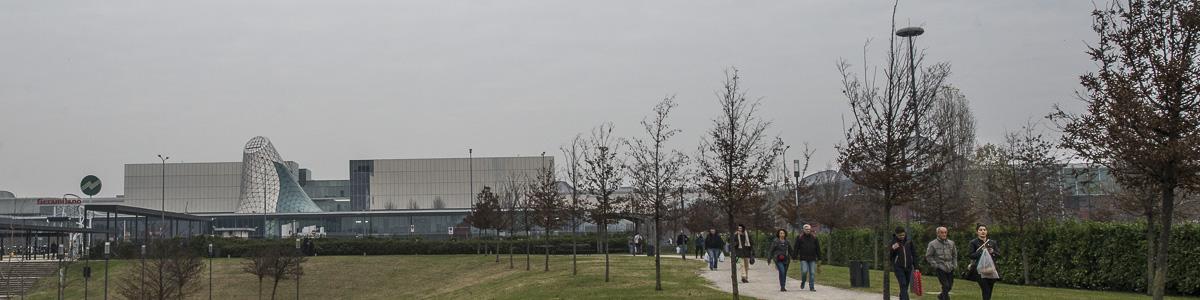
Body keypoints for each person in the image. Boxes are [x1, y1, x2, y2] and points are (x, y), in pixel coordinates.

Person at [968, 224, 1001, 300]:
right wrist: (981, 251)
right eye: (980, 230)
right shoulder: (973, 242)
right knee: (985, 289)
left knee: (989, 290)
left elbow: (999, 255)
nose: (983, 231)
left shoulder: (992, 242)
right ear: (977, 232)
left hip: (991, 269)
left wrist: (992, 251)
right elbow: (971, 255)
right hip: (979, 270)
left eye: (984, 230)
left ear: (987, 231)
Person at [925, 226, 957, 300]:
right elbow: (928, 256)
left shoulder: (951, 243)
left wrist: (954, 264)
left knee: (949, 286)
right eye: (942, 232)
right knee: (945, 285)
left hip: (950, 267)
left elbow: (955, 255)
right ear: (938, 233)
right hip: (940, 267)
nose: (944, 234)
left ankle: (941, 296)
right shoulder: (932, 244)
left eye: (945, 232)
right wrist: (935, 265)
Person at [890, 226, 918, 300]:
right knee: (903, 284)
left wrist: (916, 267)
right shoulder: (893, 242)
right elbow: (890, 256)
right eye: (900, 235)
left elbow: (914, 253)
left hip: (908, 267)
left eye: (903, 235)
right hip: (898, 267)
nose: (902, 236)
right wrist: (892, 249)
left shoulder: (909, 241)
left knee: (905, 286)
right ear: (896, 234)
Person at [793, 224, 821, 291]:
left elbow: (818, 248)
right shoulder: (799, 237)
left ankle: (812, 287)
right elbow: (796, 248)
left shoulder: (814, 237)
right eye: (806, 229)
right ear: (803, 230)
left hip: (812, 258)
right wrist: (794, 257)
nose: (808, 230)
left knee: (812, 273)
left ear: (810, 230)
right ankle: (803, 281)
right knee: (804, 271)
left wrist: (819, 258)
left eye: (809, 229)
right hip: (803, 258)